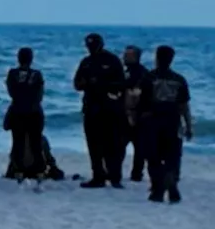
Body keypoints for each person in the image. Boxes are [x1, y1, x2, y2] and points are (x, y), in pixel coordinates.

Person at [137, 45, 194, 204]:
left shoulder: (149, 77)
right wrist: (188, 126)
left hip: (152, 121)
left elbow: (141, 101)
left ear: (157, 58)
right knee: (172, 156)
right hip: (173, 120)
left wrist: (136, 118)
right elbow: (184, 106)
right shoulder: (179, 79)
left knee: (152, 156)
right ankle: (171, 180)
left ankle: (158, 188)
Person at [73, 33, 126, 188]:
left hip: (110, 108)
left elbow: (122, 84)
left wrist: (103, 84)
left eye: (93, 44)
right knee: (93, 145)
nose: (91, 48)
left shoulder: (112, 61)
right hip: (91, 108)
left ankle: (115, 177)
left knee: (112, 144)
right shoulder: (86, 62)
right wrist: (86, 83)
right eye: (88, 45)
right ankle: (98, 176)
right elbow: (77, 84)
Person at [4, 48, 45, 182]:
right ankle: (39, 171)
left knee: (18, 142)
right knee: (36, 142)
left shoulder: (12, 73)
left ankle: (18, 170)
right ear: (31, 59)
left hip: (18, 110)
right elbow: (40, 95)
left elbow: (11, 92)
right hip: (34, 111)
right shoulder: (37, 74)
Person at [122, 46, 149, 183]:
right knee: (119, 145)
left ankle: (137, 173)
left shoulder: (142, 73)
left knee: (139, 147)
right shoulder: (123, 71)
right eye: (125, 54)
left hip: (138, 114)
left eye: (128, 55)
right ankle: (116, 171)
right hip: (124, 114)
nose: (124, 57)